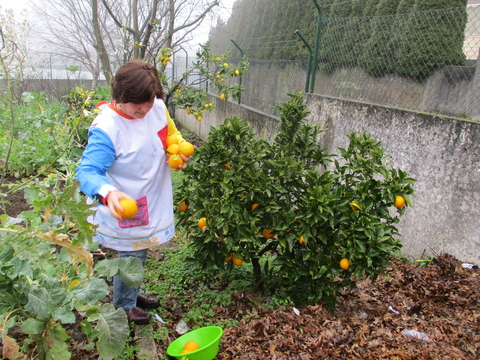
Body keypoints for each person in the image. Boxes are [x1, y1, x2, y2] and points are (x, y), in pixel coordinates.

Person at [76, 59, 189, 325]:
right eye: (138, 104)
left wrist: (179, 147)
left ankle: (131, 293)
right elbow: (88, 171)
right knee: (131, 253)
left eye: (149, 101)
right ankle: (124, 304)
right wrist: (108, 193)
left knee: (139, 250)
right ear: (119, 96)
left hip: (150, 192)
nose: (146, 108)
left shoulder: (156, 107)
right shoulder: (107, 128)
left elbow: (168, 131)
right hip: (126, 199)